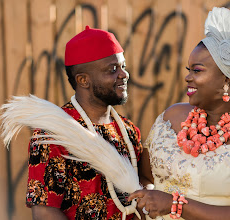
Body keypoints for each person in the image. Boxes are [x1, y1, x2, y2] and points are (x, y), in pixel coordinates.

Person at [129, 7, 230, 220]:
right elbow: (144, 177)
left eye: (197, 70)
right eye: (188, 70)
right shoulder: (170, 118)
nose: (188, 77)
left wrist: (175, 205)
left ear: (227, 78)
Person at [26, 26, 143, 219]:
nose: (124, 74)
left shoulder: (128, 131)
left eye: (123, 66)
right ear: (83, 80)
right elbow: (45, 211)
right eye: (112, 69)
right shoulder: (53, 135)